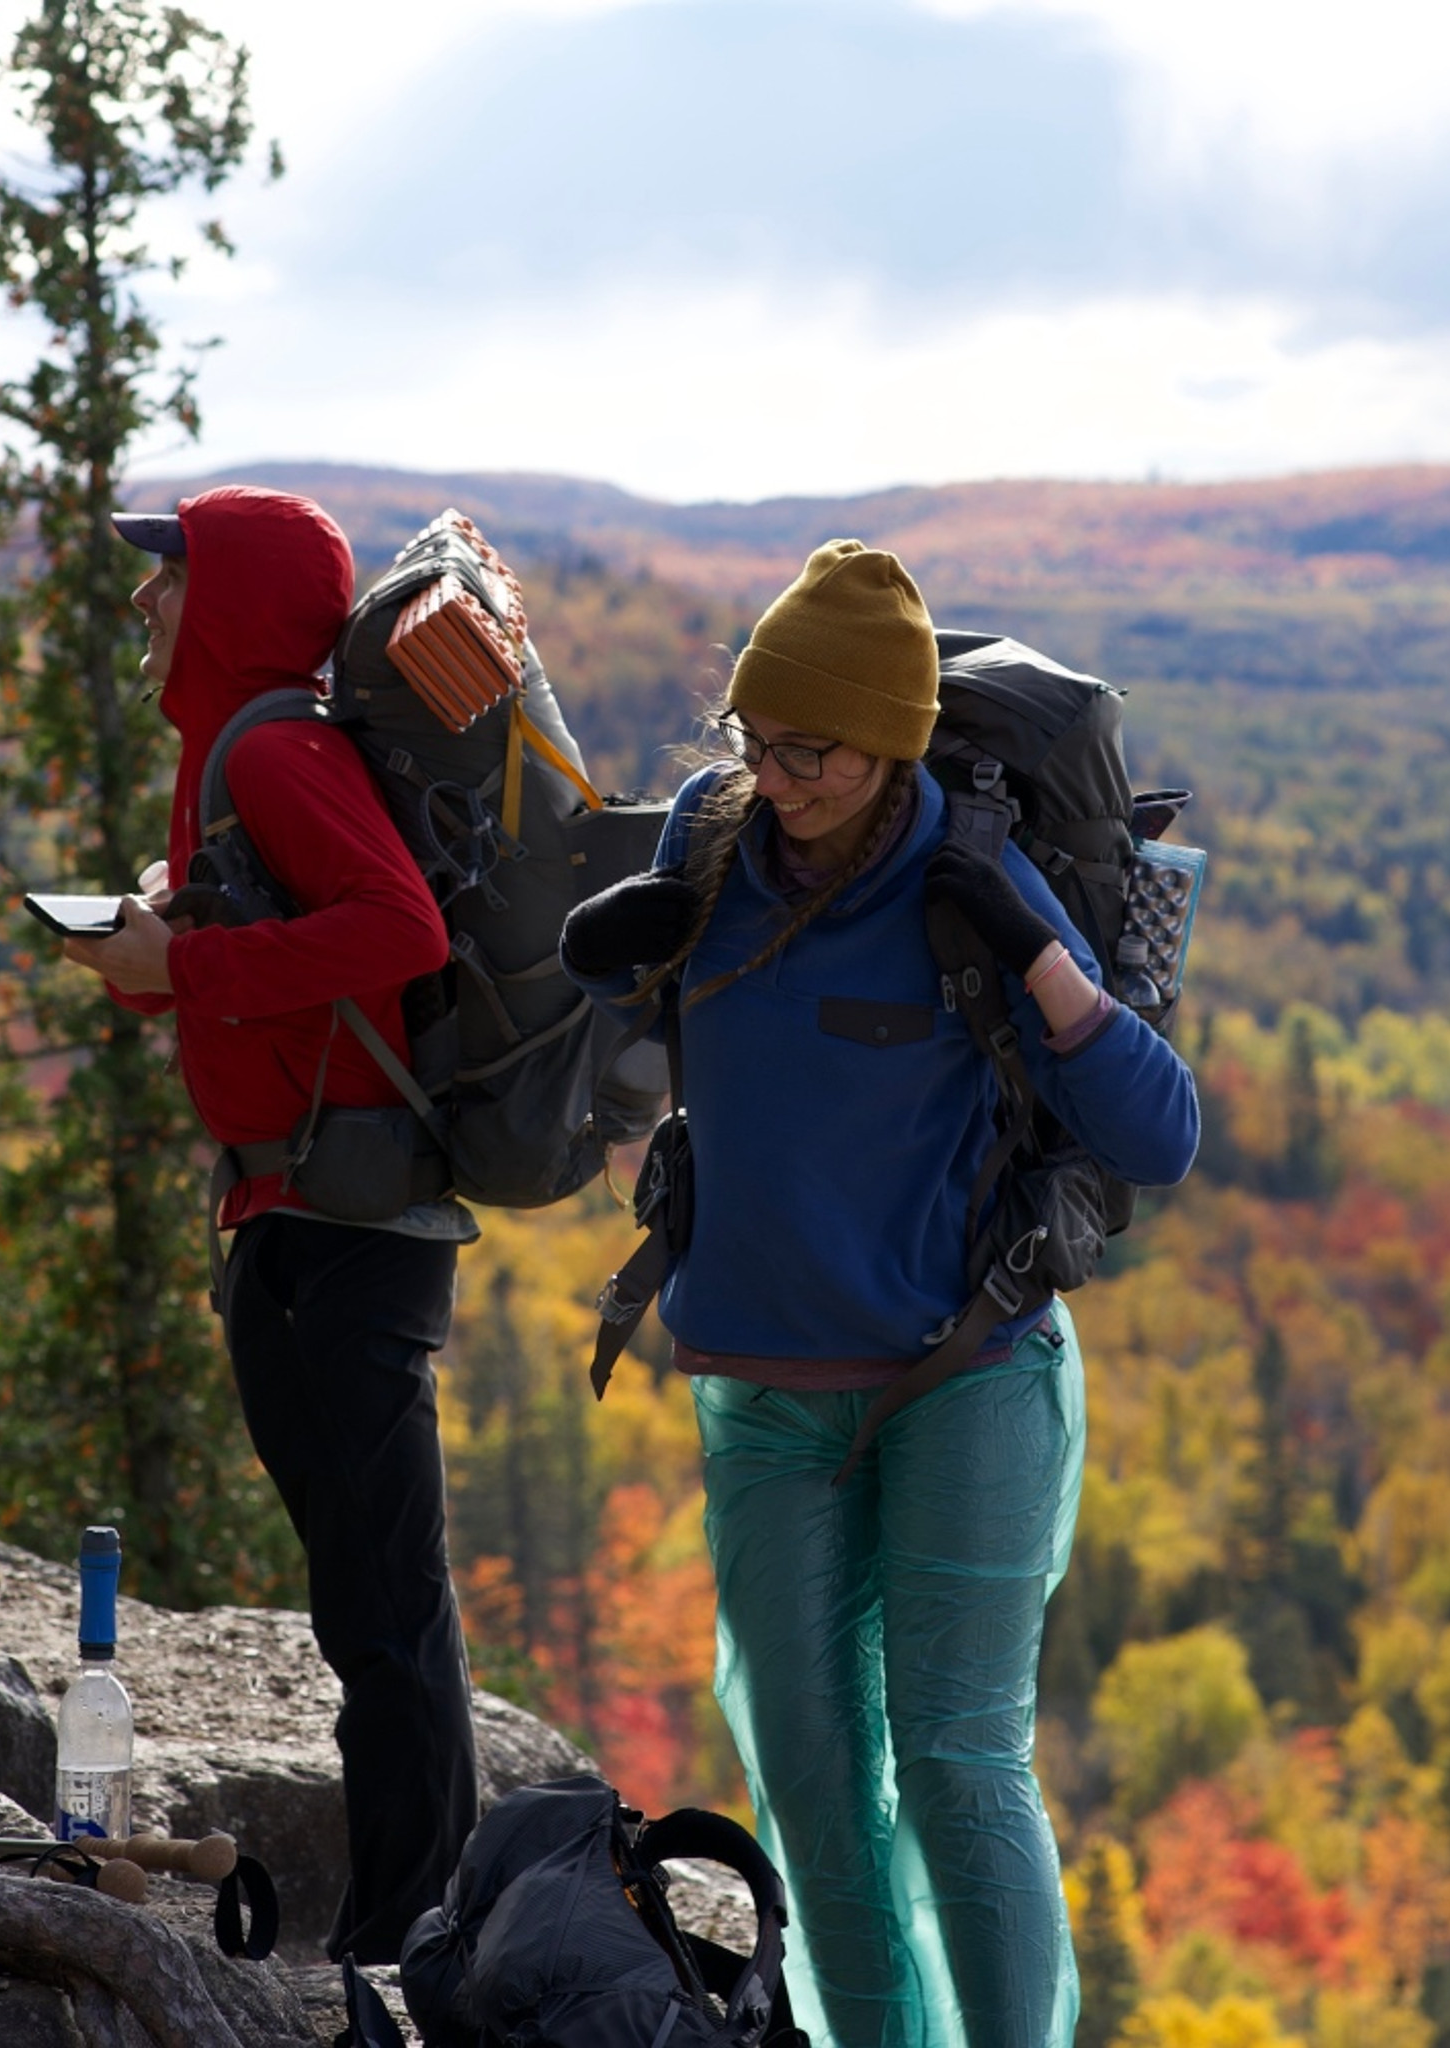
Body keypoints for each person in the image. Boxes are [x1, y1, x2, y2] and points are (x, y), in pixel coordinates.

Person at [560, 539, 1200, 2048]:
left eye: (808, 752)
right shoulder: (709, 845)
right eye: (751, 741)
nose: (770, 778)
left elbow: (1158, 1135)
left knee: (963, 1770)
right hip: (765, 1397)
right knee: (813, 1793)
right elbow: (640, 1087)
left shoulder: (969, 876)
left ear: (891, 742)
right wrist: (613, 1007)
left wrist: (1037, 950)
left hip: (962, 1376)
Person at [59, 485, 480, 1964]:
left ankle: (410, 1936)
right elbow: (264, 954)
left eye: (166, 578)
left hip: (352, 1228)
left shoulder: (278, 748)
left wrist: (193, 965)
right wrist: (160, 947)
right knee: (367, 1604)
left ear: (229, 598)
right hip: (297, 1212)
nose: (144, 605)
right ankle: (414, 1921)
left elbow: (402, 931)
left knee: (384, 1616)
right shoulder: (236, 749)